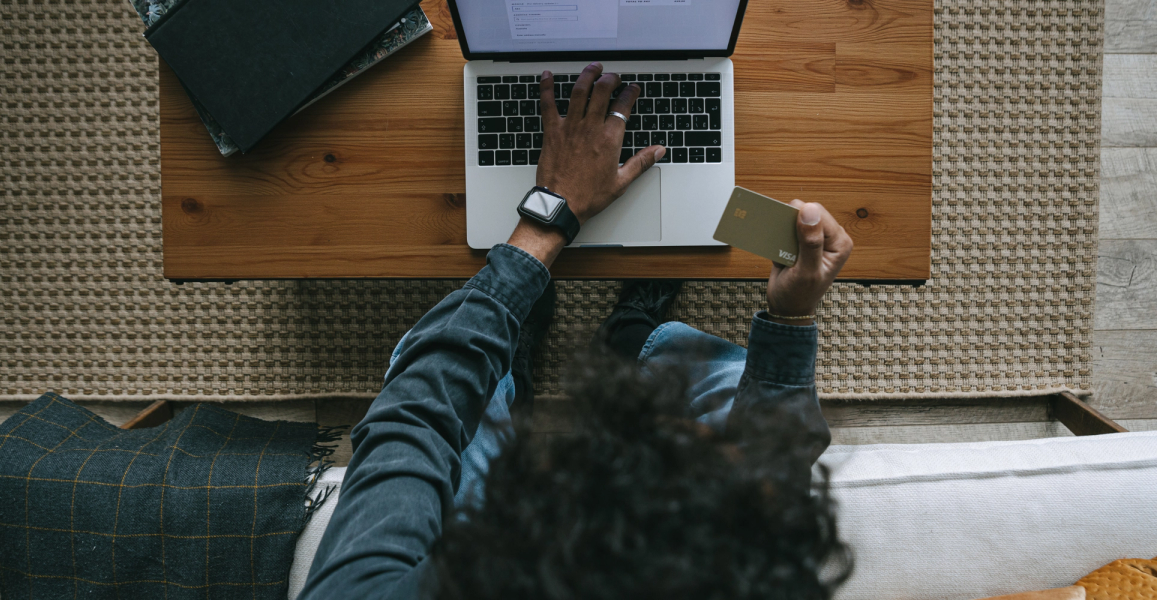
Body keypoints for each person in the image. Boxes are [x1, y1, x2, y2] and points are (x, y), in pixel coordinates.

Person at [299, 62, 855, 600]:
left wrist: (548, 220)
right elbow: (770, 489)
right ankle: (632, 335)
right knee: (738, 379)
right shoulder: (743, 574)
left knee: (459, 378)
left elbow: (414, 416)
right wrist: (789, 318)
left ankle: (512, 369)